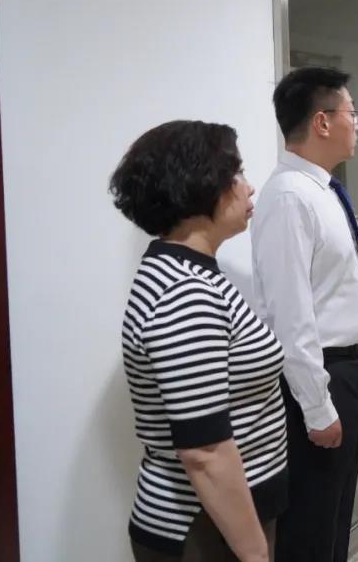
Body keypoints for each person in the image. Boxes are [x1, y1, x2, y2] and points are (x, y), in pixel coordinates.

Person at [110, 121, 288, 562]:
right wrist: (254, 553)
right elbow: (205, 453)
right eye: (236, 174)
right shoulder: (184, 293)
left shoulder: (192, 274)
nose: (248, 187)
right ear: (197, 186)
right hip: (205, 529)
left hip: (224, 522)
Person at [251, 67, 358, 562]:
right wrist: (317, 406)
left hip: (348, 369)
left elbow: (339, 282)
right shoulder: (290, 197)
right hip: (320, 379)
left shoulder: (324, 189)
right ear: (322, 122)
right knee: (312, 525)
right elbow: (290, 316)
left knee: (336, 514)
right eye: (353, 112)